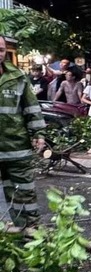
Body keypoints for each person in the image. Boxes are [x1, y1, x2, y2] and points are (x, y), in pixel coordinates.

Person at [0, 35, 46, 228]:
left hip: (16, 148)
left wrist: (39, 134)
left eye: (1, 50)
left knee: (24, 192)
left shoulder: (18, 77)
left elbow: (31, 107)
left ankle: (30, 232)